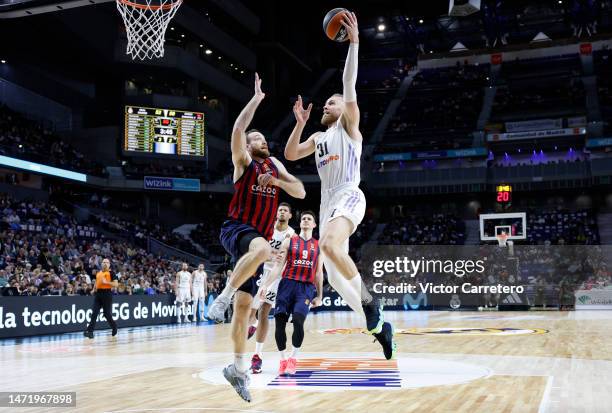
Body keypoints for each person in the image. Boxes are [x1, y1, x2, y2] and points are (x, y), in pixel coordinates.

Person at [283, 12, 395, 359]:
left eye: (331, 103)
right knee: (333, 275)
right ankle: (378, 328)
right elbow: (289, 153)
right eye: (328, 103)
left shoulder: (349, 128)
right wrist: (300, 123)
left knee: (329, 246)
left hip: (349, 194)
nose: (327, 106)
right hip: (327, 203)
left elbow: (349, 84)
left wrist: (355, 44)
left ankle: (370, 303)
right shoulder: (318, 136)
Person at [207, 73, 306, 402]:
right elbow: (237, 130)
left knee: (243, 311)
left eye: (264, 138)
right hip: (237, 230)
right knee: (262, 249)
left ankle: (236, 368)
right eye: (257, 139)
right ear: (248, 147)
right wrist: (257, 99)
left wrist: (277, 184)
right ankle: (222, 295)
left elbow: (301, 190)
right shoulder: (243, 163)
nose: (263, 141)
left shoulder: (275, 166)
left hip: (253, 248)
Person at [260, 211, 322, 376]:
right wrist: (266, 285)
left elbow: (319, 273)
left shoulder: (318, 245)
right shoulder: (289, 241)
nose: (306, 220)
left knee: (299, 321)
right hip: (286, 284)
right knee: (279, 322)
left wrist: (320, 295)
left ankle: (294, 358)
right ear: (300, 223)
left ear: (314, 225)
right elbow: (278, 267)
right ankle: (283, 359)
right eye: (303, 219)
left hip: (306, 288)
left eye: (309, 219)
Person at [248, 203, 295, 374]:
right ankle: (251, 322)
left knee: (264, 311)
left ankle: (257, 355)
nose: (282, 212)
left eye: (285, 210)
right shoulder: (266, 228)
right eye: (279, 210)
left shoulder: (291, 234)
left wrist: (271, 254)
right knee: (251, 310)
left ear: (290, 215)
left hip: (276, 275)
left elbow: (284, 257)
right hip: (260, 269)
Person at [84, 258, 118, 339]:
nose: (105, 263)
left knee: (106, 314)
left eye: (107, 262)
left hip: (107, 294)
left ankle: (114, 327)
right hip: (98, 294)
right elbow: (97, 282)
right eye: (103, 262)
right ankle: (90, 332)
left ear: (109, 264)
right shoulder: (98, 273)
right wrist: (93, 289)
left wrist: (107, 282)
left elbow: (116, 284)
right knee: (94, 313)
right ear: (101, 264)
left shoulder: (111, 273)